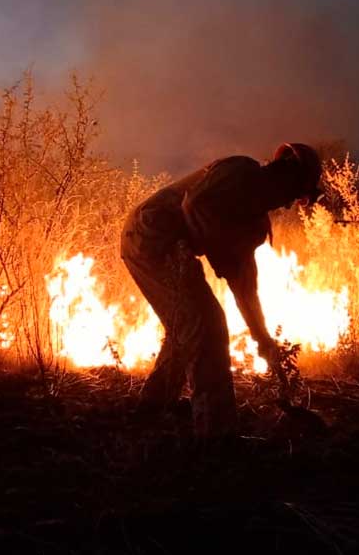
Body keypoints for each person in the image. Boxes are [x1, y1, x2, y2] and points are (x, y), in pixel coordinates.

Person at [120, 143, 324, 437]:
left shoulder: (253, 224)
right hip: (151, 236)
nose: (289, 204)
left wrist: (261, 336)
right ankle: (216, 435)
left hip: (164, 245)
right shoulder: (240, 170)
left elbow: (244, 287)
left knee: (187, 327)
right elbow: (195, 203)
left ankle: (152, 409)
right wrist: (220, 248)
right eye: (295, 194)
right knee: (207, 326)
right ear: (286, 175)